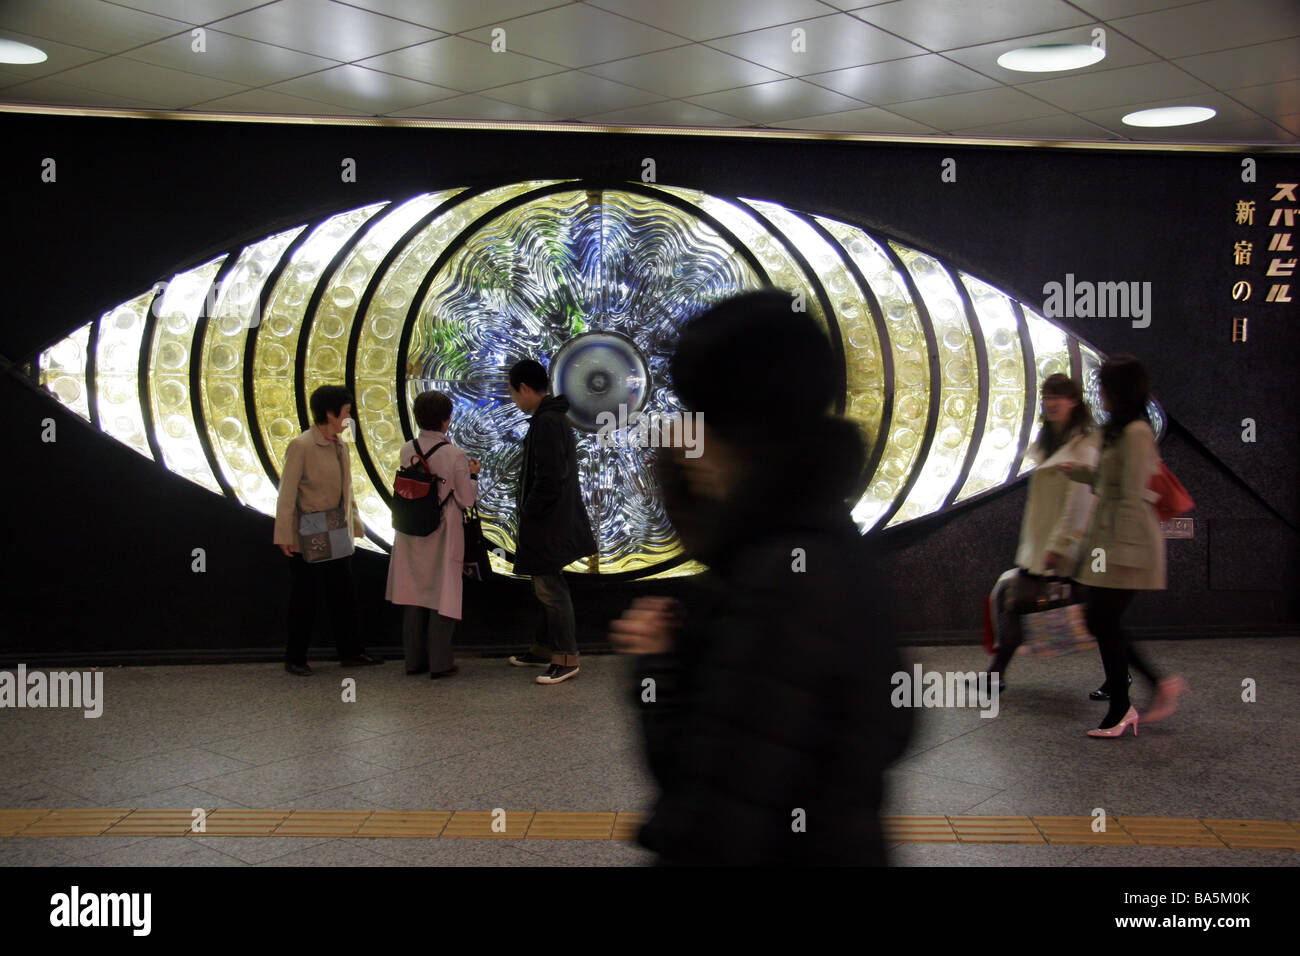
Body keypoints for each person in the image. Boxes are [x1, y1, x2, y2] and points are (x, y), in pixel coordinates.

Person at [610, 291, 912, 865]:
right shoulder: (833, 542)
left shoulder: (778, 580)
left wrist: (661, 665)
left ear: (733, 432)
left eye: (695, 415)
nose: (683, 437)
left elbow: (709, 811)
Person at [1059, 355, 1188, 737]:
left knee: (1102, 619)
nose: (1100, 393)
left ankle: (1123, 706)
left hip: (1124, 544)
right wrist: (1079, 471)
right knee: (1101, 619)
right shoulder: (1122, 431)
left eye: (1105, 386)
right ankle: (1145, 691)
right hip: (1112, 541)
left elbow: (1131, 497)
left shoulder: (1136, 433)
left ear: (1120, 391)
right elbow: (1113, 480)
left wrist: (1108, 552)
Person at [983, 374, 1099, 691]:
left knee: (1099, 619)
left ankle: (1125, 679)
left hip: (1066, 546)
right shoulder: (1049, 442)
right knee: (1018, 606)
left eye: (1057, 396)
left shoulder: (1084, 444)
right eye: (1047, 397)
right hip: (1041, 544)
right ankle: (995, 676)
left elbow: (1080, 501)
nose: (1050, 403)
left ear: (1074, 401)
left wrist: (1060, 545)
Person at [274, 384, 383, 675]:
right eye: (346, 413)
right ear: (329, 414)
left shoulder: (340, 445)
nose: (349, 419)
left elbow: (348, 491)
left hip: (336, 527)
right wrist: (284, 535)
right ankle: (295, 658)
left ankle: (351, 652)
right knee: (305, 597)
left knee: (342, 594)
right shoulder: (301, 446)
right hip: (308, 531)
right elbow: (286, 494)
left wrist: (356, 523)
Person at [505, 359, 598, 685]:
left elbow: (549, 478)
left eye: (514, 393)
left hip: (547, 523)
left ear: (525, 388)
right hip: (552, 520)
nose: (515, 401)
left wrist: (529, 510)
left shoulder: (547, 423)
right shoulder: (553, 419)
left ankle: (566, 657)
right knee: (544, 587)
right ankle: (545, 648)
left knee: (551, 590)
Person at [386, 390, 480, 678]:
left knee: (413, 595)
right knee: (443, 593)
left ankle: (413, 662)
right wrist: (474, 474)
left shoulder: (407, 449)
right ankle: (441, 663)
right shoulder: (455, 455)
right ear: (446, 420)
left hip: (410, 529)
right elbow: (466, 499)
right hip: (443, 530)